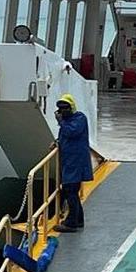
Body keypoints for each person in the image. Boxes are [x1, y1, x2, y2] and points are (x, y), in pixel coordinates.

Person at [54, 94, 93, 233]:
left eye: (65, 108)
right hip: (70, 161)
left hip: (76, 161)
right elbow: (64, 136)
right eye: (60, 109)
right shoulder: (68, 120)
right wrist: (57, 143)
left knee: (70, 190)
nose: (62, 111)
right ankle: (78, 220)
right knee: (72, 191)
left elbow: (72, 132)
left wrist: (61, 122)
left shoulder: (79, 118)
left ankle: (71, 223)